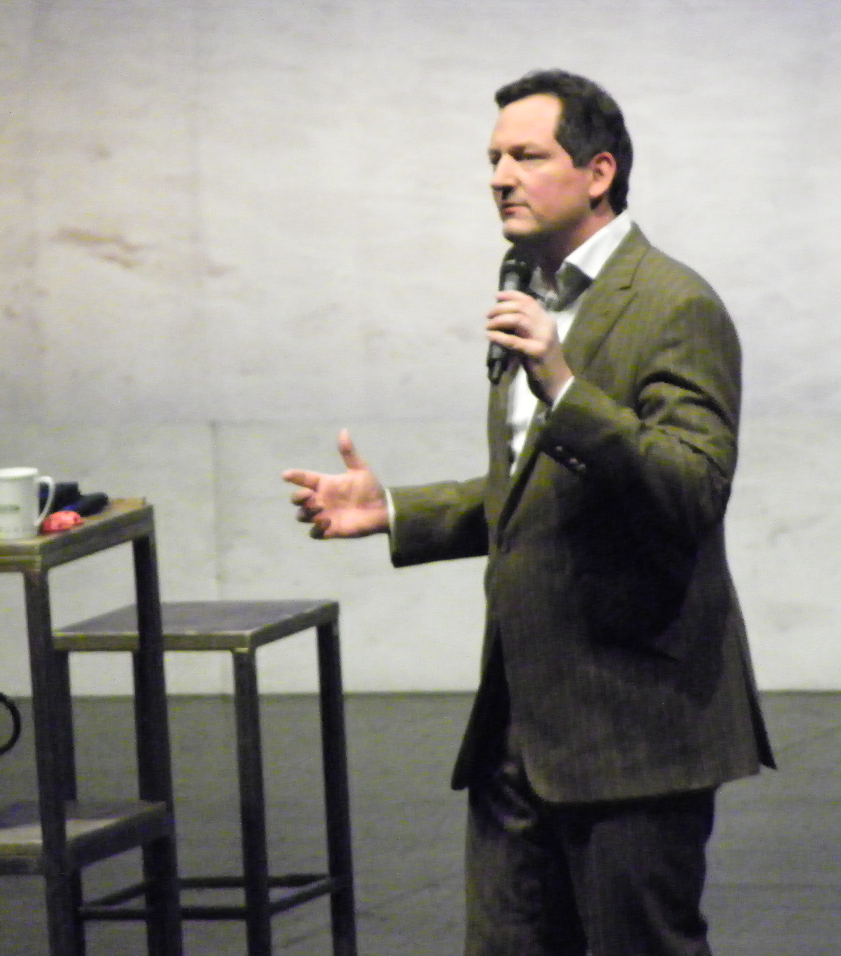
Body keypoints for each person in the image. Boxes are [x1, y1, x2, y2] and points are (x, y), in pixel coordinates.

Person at [284, 69, 773, 956]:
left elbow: (692, 491)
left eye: (526, 156)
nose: (500, 177)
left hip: (634, 721)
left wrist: (564, 384)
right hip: (520, 724)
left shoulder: (675, 304)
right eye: (493, 159)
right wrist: (394, 508)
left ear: (599, 172)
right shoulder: (535, 295)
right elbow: (539, 494)